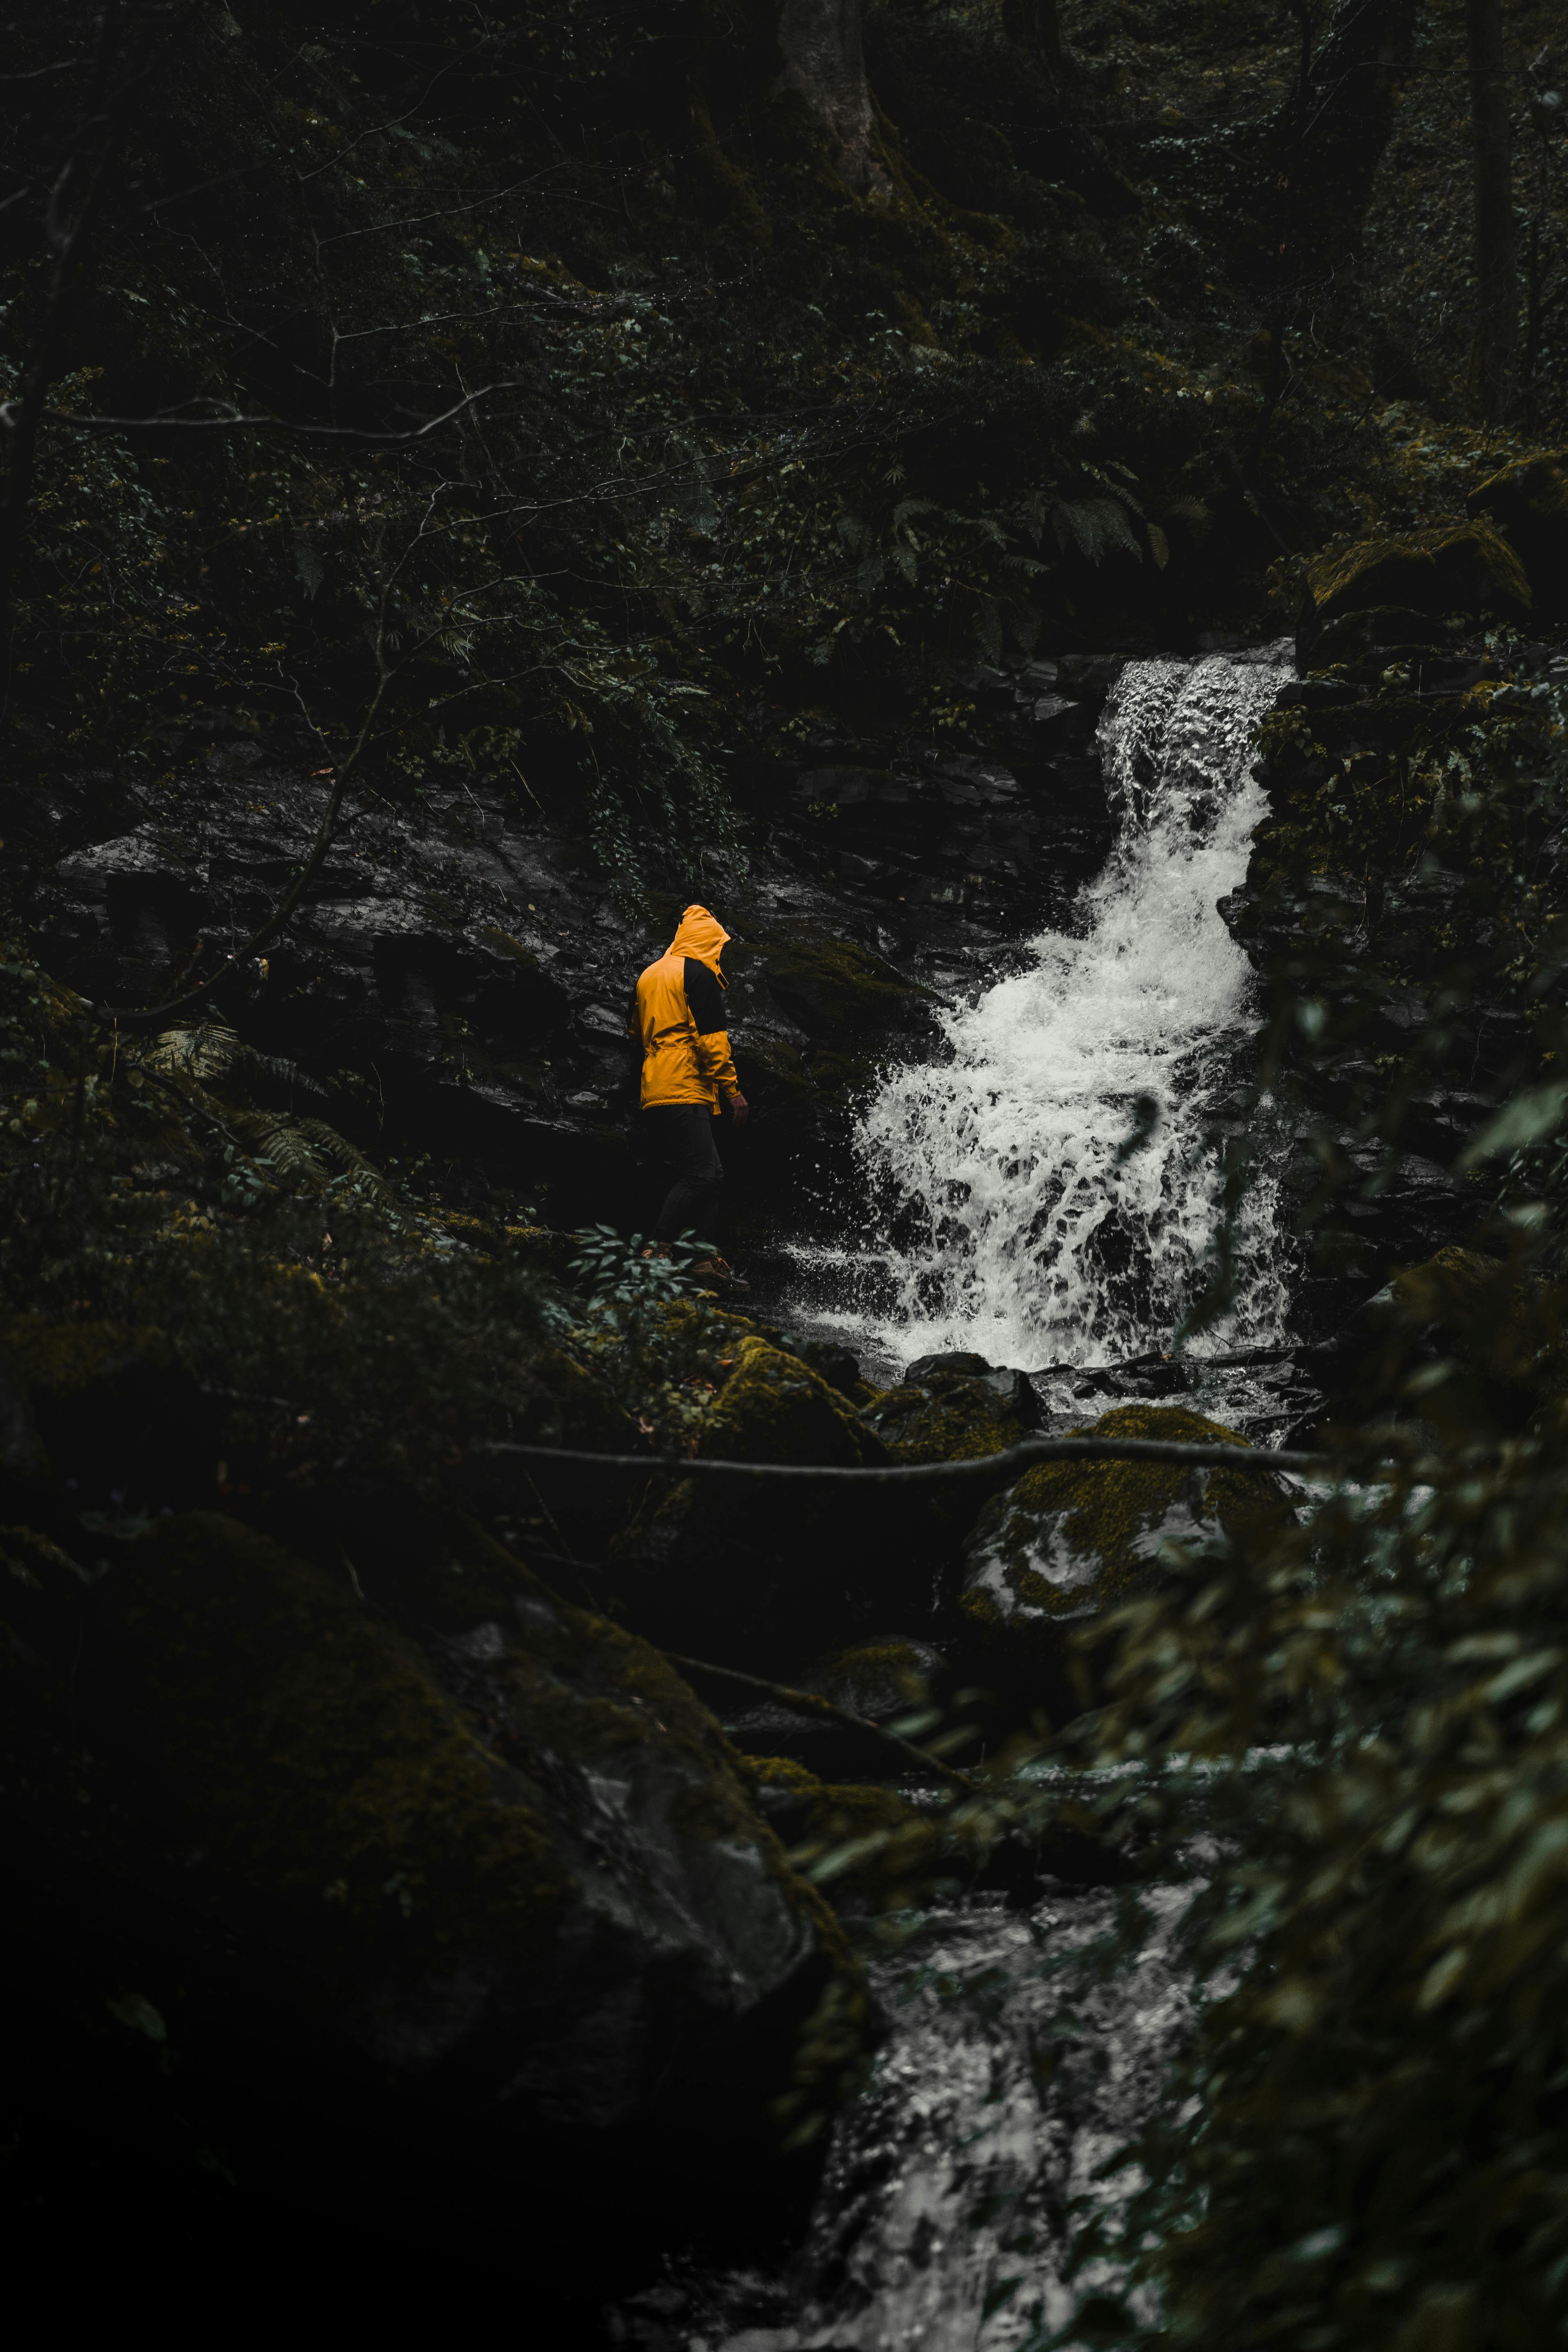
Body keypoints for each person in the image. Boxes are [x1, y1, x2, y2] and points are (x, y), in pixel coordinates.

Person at [630, 904, 750, 1288]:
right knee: (701, 1173)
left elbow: (635, 1030)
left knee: (709, 1173)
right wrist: (732, 1091)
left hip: (655, 1084)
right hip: (684, 1084)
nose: (719, 953)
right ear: (706, 941)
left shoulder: (650, 974)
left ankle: (702, 1256)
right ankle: (657, 1248)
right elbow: (712, 1041)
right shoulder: (696, 974)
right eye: (717, 945)